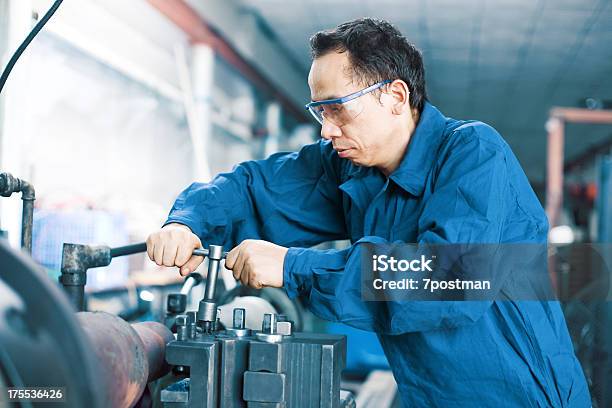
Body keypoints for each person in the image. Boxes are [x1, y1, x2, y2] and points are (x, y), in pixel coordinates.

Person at [147, 18, 590, 407]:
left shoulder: (473, 154)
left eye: (338, 108)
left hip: (521, 396)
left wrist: (294, 266)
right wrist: (187, 221)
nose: (327, 128)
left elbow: (449, 278)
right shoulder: (349, 169)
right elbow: (253, 188)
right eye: (320, 111)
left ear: (396, 96)